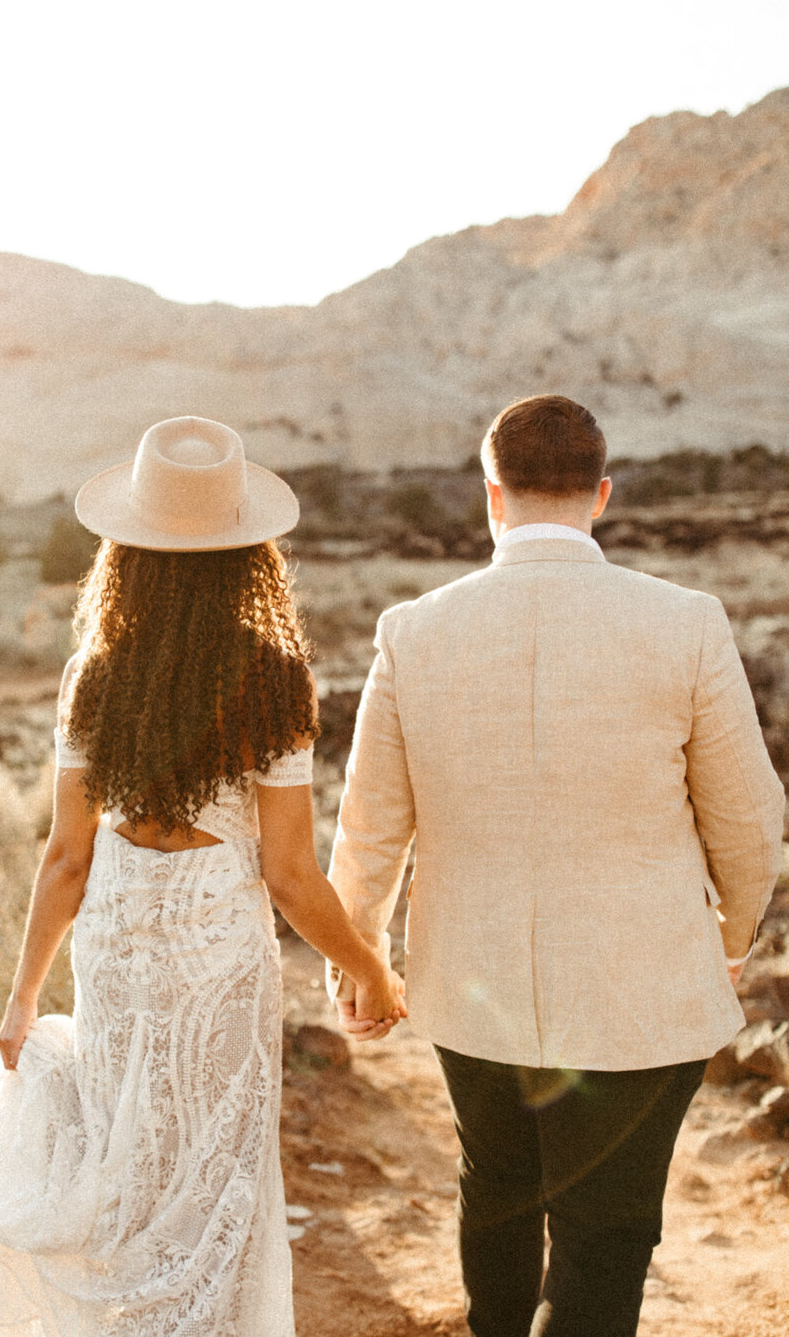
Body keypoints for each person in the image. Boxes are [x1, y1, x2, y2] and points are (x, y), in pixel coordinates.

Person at [325, 394, 785, 1337]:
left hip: (472, 983)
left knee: (494, 1190)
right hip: (639, 987)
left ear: (490, 495)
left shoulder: (412, 629)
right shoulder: (687, 621)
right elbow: (750, 824)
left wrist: (359, 961)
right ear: (603, 494)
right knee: (605, 1233)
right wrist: (728, 940)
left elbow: (370, 825)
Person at [0, 415, 404, 1337]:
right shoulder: (274, 675)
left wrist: (22, 999)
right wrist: (369, 966)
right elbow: (287, 873)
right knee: (215, 1177)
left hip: (115, 929)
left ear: (130, 552)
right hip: (213, 949)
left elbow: (67, 856)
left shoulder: (96, 671)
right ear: (248, 556)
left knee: (128, 1168)